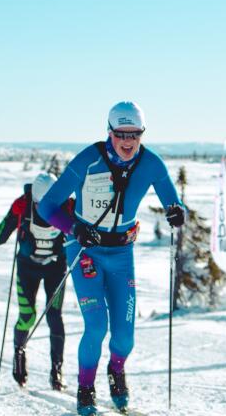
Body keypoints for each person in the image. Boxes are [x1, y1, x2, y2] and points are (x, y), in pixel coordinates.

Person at [38, 101, 185, 416]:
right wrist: (75, 229)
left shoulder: (152, 164)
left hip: (121, 254)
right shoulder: (88, 160)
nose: (128, 141)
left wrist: (176, 212)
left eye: (135, 134)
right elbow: (47, 206)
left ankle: (116, 370)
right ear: (110, 132)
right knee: (96, 326)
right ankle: (86, 389)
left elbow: (173, 201)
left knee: (124, 336)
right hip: (85, 250)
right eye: (121, 133)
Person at [0, 172, 75, 390]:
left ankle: (57, 371)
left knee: (54, 316)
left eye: (52, 203)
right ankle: (19, 357)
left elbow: (83, 232)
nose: (47, 210)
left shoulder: (67, 205)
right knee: (28, 317)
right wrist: (13, 216)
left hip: (55, 268)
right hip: (27, 268)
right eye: (41, 204)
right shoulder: (23, 206)